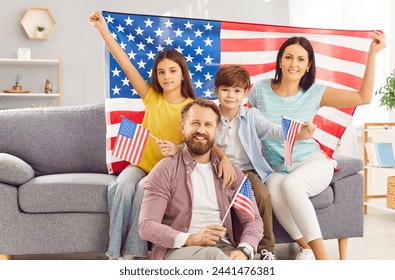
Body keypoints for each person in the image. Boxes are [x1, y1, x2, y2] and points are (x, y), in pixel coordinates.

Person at [89, 11, 234, 260]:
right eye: (161, 72)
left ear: (182, 74)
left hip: (166, 171)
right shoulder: (151, 97)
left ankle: (134, 253)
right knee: (122, 186)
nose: (167, 77)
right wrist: (103, 29)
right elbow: (124, 62)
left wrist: (224, 158)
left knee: (145, 190)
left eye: (172, 71)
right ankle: (114, 253)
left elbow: (205, 139)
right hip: (142, 164)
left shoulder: (193, 105)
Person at [247, 31, 386, 260]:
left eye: (301, 59)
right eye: (289, 57)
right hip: (277, 168)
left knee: (291, 185)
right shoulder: (259, 91)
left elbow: (363, 97)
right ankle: (307, 248)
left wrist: (373, 53)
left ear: (308, 65)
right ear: (280, 60)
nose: (294, 64)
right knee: (274, 189)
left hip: (313, 162)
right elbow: (240, 118)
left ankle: (324, 260)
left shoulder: (315, 93)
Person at [139, 99, 263, 260]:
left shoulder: (231, 172)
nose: (201, 130)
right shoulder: (165, 170)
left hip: (224, 248)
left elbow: (253, 220)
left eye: (208, 125)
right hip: (177, 249)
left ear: (217, 130)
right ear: (183, 127)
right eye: (195, 123)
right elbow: (146, 225)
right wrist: (192, 239)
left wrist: (244, 251)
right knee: (214, 256)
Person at [214, 65, 316, 260]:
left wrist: (300, 133)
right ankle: (224, 246)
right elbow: (205, 141)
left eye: (237, 91)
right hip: (218, 170)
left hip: (246, 171)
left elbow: (274, 131)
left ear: (246, 93)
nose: (230, 96)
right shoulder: (210, 113)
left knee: (262, 196)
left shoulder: (251, 115)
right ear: (216, 91)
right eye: (225, 90)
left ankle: (266, 249)